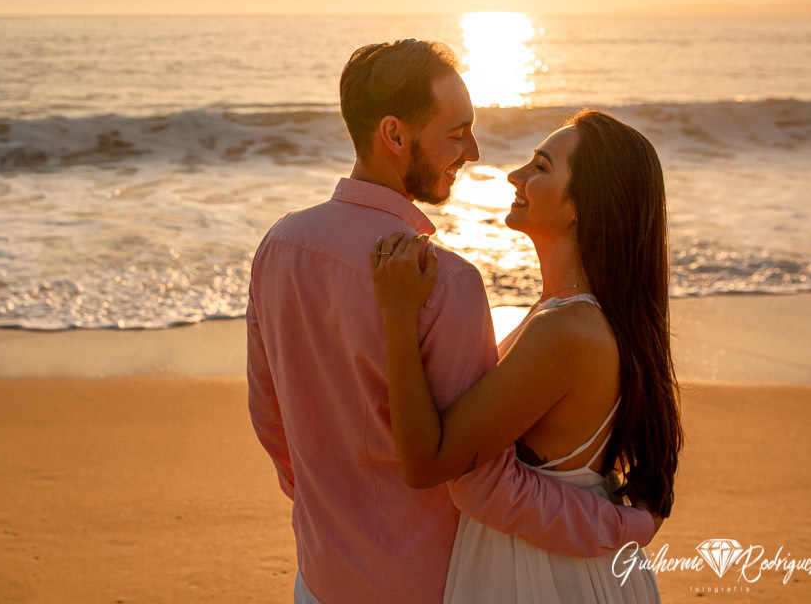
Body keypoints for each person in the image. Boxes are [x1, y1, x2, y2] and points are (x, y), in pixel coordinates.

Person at [247, 40, 657, 604]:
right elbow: (478, 481)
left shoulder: (280, 245)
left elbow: (271, 416)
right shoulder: (445, 281)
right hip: (434, 584)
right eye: (457, 132)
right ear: (395, 135)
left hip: (319, 577)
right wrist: (628, 525)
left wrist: (334, 514)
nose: (475, 153)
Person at [370, 109, 681, 602]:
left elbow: (428, 461)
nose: (514, 174)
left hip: (537, 575)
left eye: (540, 167)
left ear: (581, 206)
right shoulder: (572, 313)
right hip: (555, 562)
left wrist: (397, 316)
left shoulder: (565, 330)